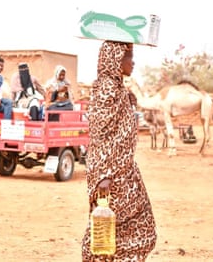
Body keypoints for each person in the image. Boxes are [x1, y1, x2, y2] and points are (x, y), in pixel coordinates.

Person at [81, 41, 157, 261]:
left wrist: (129, 102)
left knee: (129, 227)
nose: (132, 62)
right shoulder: (106, 89)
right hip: (110, 176)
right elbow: (101, 136)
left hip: (124, 171)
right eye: (128, 56)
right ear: (114, 58)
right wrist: (104, 176)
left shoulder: (117, 88)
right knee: (108, 228)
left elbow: (119, 130)